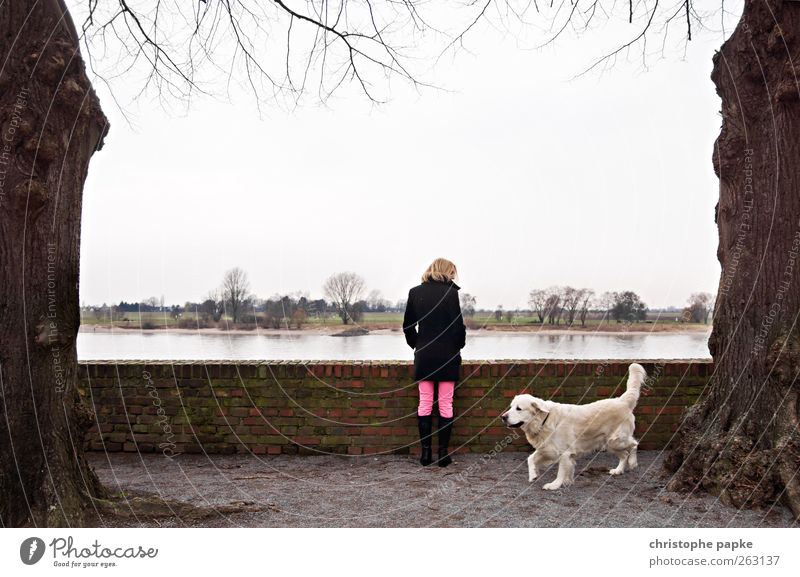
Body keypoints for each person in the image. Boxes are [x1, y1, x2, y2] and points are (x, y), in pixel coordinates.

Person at [402, 258, 466, 467]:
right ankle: (443, 455)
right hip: (447, 355)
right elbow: (457, 326)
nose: (454, 276)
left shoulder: (414, 292)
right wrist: (458, 346)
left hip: (425, 355)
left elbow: (408, 327)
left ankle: (426, 454)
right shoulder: (451, 293)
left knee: (425, 404)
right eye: (453, 272)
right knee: (446, 404)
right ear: (446, 272)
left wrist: (417, 346)